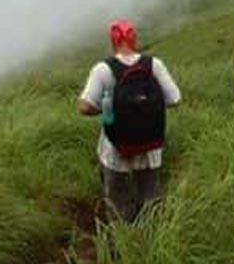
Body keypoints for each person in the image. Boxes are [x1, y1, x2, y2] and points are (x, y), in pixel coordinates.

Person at [78, 19, 182, 222]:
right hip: (150, 148)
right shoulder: (154, 65)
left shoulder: (103, 69)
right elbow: (175, 98)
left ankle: (122, 245)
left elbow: (84, 107)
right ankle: (151, 243)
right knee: (150, 203)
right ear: (134, 39)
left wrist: (108, 107)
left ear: (113, 41)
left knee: (118, 206)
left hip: (116, 151)